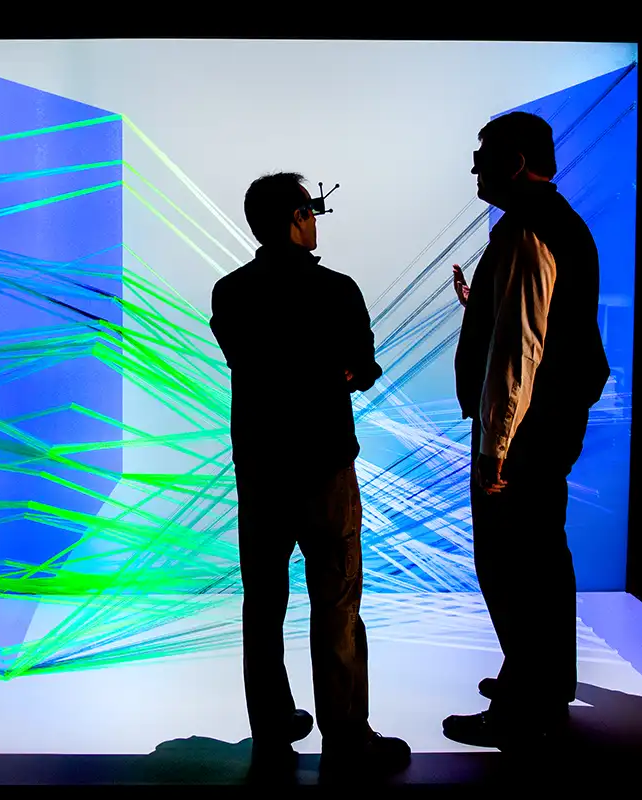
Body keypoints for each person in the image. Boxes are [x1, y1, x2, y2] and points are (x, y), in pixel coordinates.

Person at [209, 172, 410, 776]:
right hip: (324, 465)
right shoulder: (337, 289)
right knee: (338, 601)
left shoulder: (230, 292)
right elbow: (364, 368)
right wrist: (340, 373)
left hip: (262, 467)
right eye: (313, 210)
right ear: (298, 218)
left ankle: (272, 725)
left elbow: (243, 359)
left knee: (263, 604)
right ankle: (347, 733)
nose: (317, 219)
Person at [445, 112, 610, 748]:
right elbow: (544, 322)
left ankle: (522, 703)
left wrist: (495, 448)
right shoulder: (560, 223)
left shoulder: (522, 232)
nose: (475, 168)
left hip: (524, 432)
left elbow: (520, 351)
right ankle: (544, 679)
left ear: (515, 162)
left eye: (484, 154)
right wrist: (481, 306)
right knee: (543, 556)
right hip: (554, 422)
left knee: (511, 563)